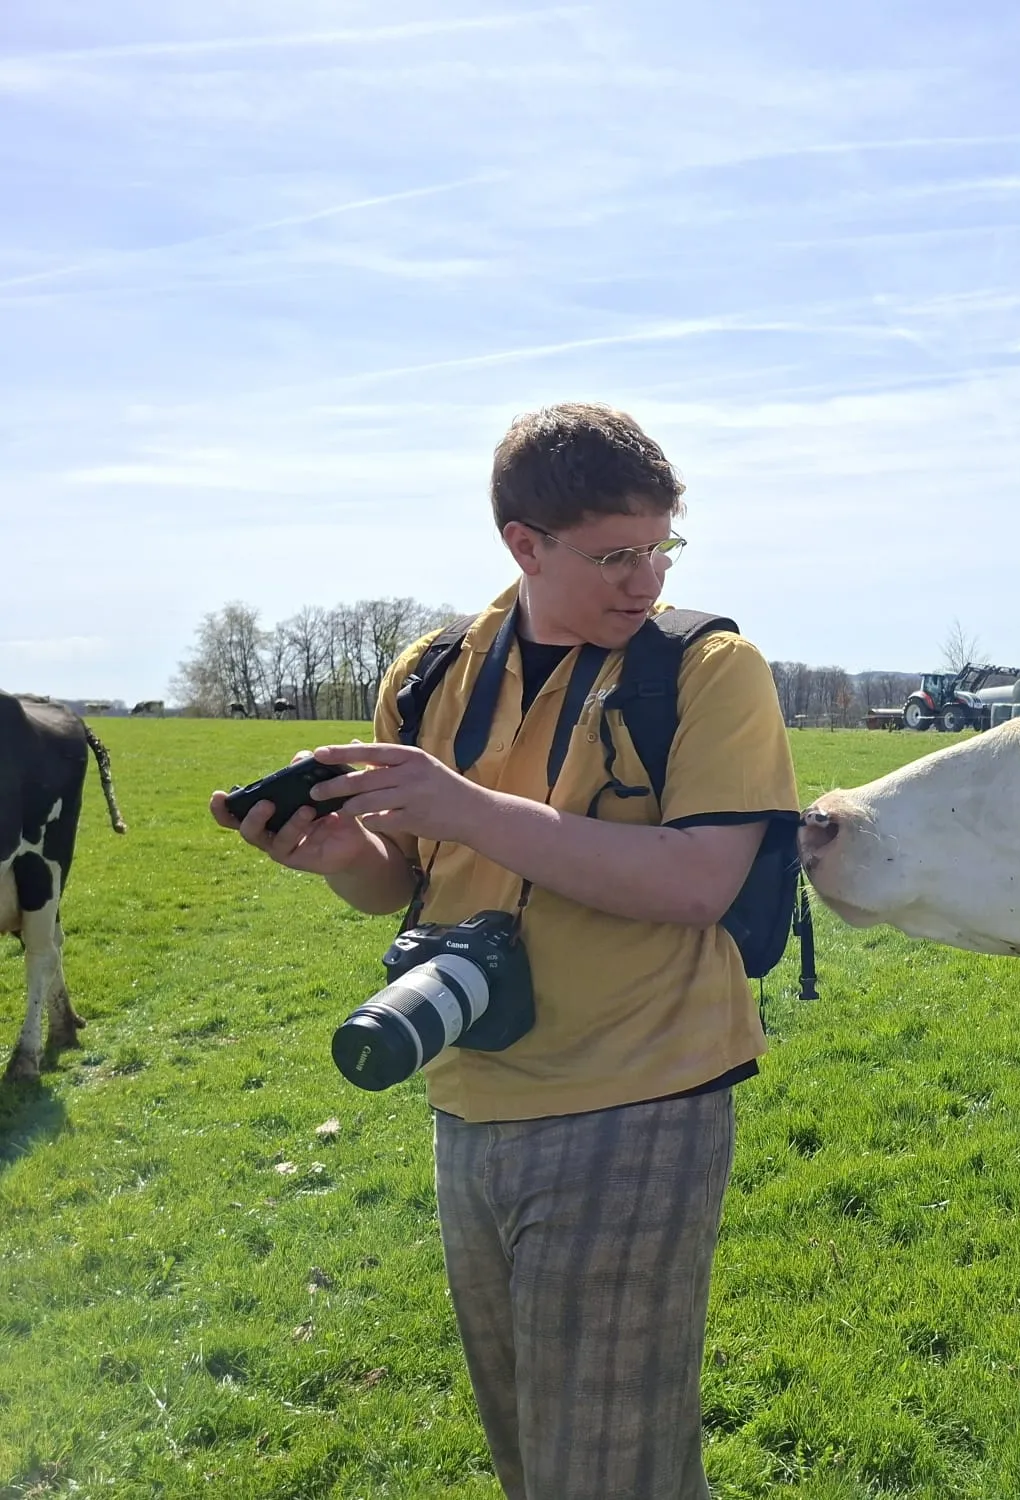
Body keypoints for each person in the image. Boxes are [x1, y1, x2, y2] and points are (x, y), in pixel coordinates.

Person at [212, 403, 798, 1499]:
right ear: (522, 543)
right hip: (468, 1091)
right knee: (530, 1451)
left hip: (639, 1095)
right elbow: (404, 882)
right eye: (615, 556)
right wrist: (339, 856)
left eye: (662, 547)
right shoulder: (430, 671)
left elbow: (697, 883)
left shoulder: (710, 668)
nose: (646, 580)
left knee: (607, 1467)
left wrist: (469, 808)